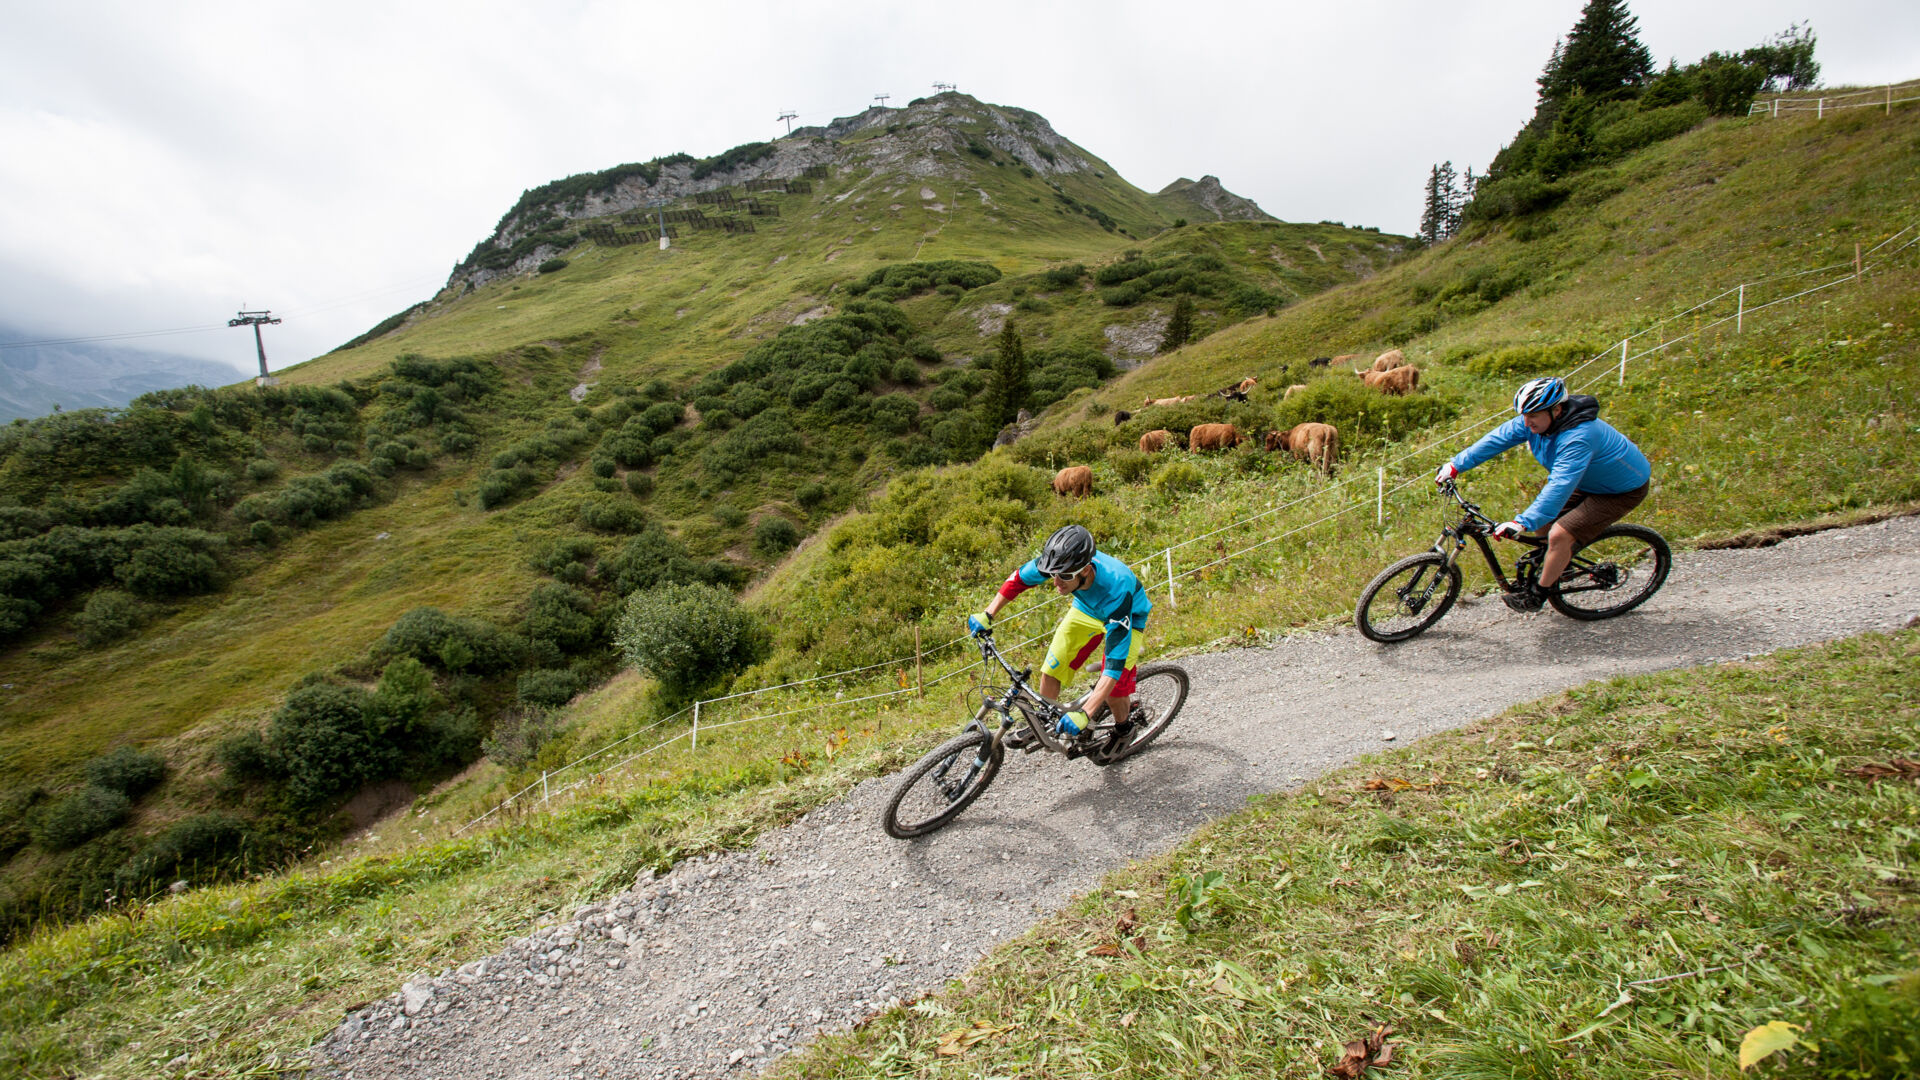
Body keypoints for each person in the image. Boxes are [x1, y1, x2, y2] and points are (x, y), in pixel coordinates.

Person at [1434, 376, 1651, 613]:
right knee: (1545, 521)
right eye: (1524, 415)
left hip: (1620, 490)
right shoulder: (1538, 421)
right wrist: (1455, 465)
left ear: (1556, 410)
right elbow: (1497, 439)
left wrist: (1522, 522)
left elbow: (1560, 484)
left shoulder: (1579, 437)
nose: (1526, 423)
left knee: (1559, 534)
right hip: (1588, 481)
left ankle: (1538, 594)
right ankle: (1560, 567)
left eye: (1533, 416)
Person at [967, 524, 1151, 749]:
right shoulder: (1061, 564)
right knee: (1051, 670)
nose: (1056, 582)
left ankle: (1124, 729)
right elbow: (1019, 579)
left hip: (1125, 617)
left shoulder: (1117, 589)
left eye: (1063, 576)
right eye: (1053, 575)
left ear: (1085, 570)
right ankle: (1045, 723)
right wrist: (988, 613)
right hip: (1086, 610)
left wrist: (1085, 713)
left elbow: (1113, 666)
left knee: (1114, 687)